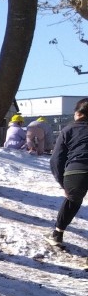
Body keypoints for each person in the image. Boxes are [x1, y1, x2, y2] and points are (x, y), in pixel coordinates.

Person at [47, 98, 88, 247]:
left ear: (78, 113)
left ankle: (57, 234)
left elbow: (56, 160)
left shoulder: (68, 129)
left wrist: (62, 183)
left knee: (72, 201)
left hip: (76, 170)